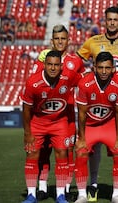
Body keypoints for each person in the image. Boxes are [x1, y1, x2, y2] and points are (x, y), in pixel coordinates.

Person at [76, 6, 118, 201]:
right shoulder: (93, 42)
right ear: (104, 21)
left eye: (116, 19)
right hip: (98, 100)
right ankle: (93, 185)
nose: (112, 23)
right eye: (109, 20)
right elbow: (76, 62)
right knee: (94, 145)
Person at [31, 24, 86, 202]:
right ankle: (42, 187)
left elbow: (84, 82)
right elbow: (33, 85)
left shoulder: (75, 61)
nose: (60, 42)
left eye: (63, 38)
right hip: (43, 115)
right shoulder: (42, 60)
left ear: (68, 40)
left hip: (67, 115)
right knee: (43, 152)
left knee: (67, 151)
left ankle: (66, 188)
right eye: (57, 39)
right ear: (52, 41)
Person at [20, 50, 81, 203]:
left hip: (59, 122)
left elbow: (86, 80)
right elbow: (26, 108)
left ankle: (60, 194)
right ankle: (31, 195)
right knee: (32, 155)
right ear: (44, 65)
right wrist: (27, 133)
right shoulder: (33, 82)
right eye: (49, 65)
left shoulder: (69, 76)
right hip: (38, 122)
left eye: (56, 65)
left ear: (61, 66)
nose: (53, 68)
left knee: (62, 153)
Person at [74, 51, 118, 203]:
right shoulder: (84, 84)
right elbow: (82, 114)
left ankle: (116, 194)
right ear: (94, 68)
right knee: (81, 151)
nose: (104, 71)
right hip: (90, 126)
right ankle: (82, 194)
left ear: (113, 69)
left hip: (109, 125)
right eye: (100, 68)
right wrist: (82, 138)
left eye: (107, 68)